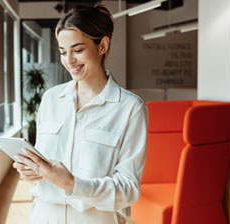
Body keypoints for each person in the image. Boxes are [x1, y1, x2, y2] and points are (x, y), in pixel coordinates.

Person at [13, 5, 148, 224]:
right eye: (63, 52)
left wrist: (72, 184)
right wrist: (32, 171)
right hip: (44, 216)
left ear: (102, 45)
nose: (69, 60)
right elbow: (43, 164)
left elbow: (128, 189)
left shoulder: (130, 108)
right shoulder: (50, 99)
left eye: (77, 50)